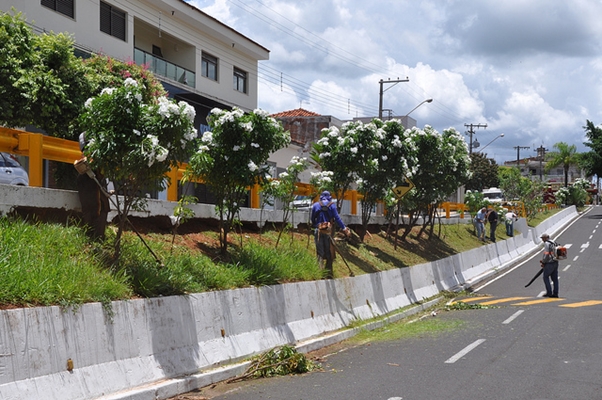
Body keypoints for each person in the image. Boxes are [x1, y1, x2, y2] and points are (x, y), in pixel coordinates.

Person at [311, 191, 350, 278]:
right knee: (329, 252)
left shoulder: (316, 205)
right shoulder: (332, 205)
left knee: (320, 253)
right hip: (328, 232)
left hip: (319, 231)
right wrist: (344, 228)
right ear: (329, 197)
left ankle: (319, 273)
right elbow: (337, 218)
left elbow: (312, 219)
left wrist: (317, 225)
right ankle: (329, 274)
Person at [540, 233, 559, 297]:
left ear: (545, 238)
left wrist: (543, 261)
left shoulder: (547, 243)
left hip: (549, 263)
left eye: (542, 238)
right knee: (555, 279)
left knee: (545, 277)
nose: (542, 240)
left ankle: (549, 292)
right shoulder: (554, 242)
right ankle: (555, 293)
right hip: (555, 262)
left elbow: (546, 254)